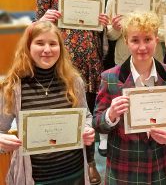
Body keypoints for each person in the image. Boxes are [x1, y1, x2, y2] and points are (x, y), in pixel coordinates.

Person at [36, 0, 108, 185]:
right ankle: (64, 160)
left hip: (89, 61)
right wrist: (45, 19)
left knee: (85, 113)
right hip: (59, 62)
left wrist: (102, 24)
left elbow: (100, 32)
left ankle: (89, 163)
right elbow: (38, 27)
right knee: (63, 111)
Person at [93, 12, 166, 184]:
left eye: (147, 39)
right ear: (126, 41)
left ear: (157, 40)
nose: (142, 47)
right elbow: (97, 122)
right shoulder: (110, 77)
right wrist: (110, 115)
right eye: (135, 40)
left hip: (161, 166)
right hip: (124, 169)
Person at [0, 21, 95, 185]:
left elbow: (86, 115)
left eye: (53, 43)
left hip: (74, 172)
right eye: (39, 43)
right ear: (28, 47)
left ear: (60, 48)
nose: (47, 49)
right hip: (35, 177)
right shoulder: (13, 86)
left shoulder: (74, 81)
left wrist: (87, 128)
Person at [86, 0, 116, 158]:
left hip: (111, 41)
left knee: (110, 85)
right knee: (95, 89)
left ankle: (106, 136)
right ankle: (98, 132)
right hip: (90, 41)